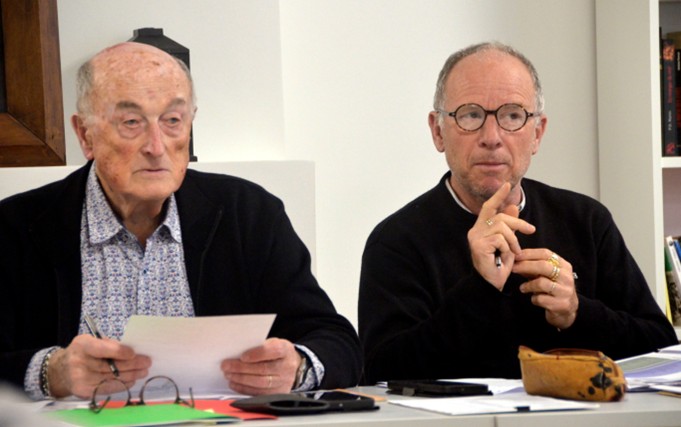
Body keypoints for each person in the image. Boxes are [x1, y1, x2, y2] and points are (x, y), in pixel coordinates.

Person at [0, 42, 361, 400]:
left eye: (172, 121)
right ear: (85, 134)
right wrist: (52, 373)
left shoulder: (249, 214)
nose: (156, 147)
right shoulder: (15, 227)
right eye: (131, 122)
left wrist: (296, 368)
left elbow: (337, 343)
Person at [358, 41, 678, 384]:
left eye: (512, 116)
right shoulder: (396, 241)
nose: (492, 137)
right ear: (438, 132)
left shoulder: (586, 220)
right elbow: (381, 373)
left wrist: (576, 312)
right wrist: (480, 290)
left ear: (537, 133)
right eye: (471, 115)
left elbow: (660, 349)